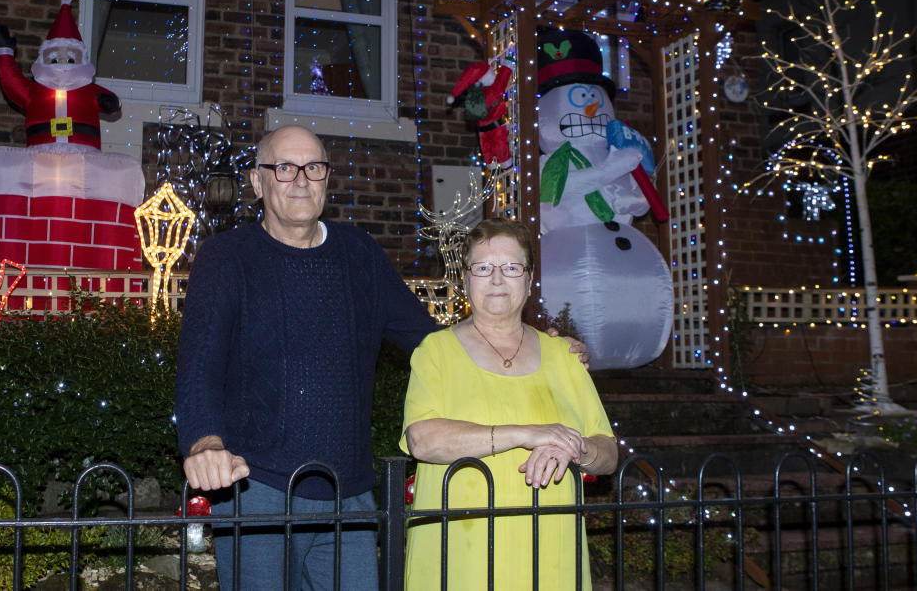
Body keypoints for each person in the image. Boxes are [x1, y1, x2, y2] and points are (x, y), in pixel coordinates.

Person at [175, 125, 589, 590]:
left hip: (350, 493)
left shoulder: (357, 252)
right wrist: (204, 443)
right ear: (257, 181)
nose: (300, 180)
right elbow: (198, 366)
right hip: (259, 491)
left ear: (326, 178)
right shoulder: (227, 257)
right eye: (284, 168)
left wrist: (529, 344)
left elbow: (431, 342)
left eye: (313, 168)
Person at [401, 218, 618, 590]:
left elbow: (609, 452)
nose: (497, 279)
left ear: (529, 279)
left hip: (551, 551)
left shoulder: (564, 355)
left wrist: (575, 448)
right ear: (465, 279)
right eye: (483, 268)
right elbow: (423, 440)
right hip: (461, 552)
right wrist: (527, 434)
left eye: (511, 267)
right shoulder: (434, 353)